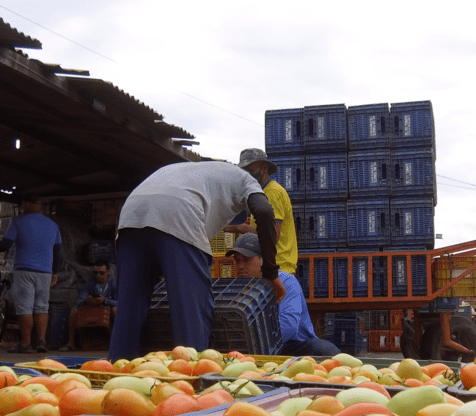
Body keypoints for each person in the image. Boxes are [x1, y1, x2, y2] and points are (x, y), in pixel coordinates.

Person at [108, 159, 285, 361]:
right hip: (178, 210)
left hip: (131, 215)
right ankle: (192, 375)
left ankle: (116, 373)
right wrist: (270, 273)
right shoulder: (245, 179)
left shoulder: (198, 172)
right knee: (192, 309)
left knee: (128, 310)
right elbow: (264, 211)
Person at [228, 233, 339, 356]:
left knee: (325, 350)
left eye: (247, 260)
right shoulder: (234, 288)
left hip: (291, 346)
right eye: (237, 261)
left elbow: (288, 326)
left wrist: (258, 342)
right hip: (252, 347)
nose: (240, 266)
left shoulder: (286, 281)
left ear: (263, 259)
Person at [0, 196, 62, 354]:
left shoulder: (19, 222)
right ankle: (42, 342)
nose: (23, 207)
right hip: (45, 272)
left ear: (30, 204)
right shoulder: (53, 225)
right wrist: (55, 272)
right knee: (42, 306)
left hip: (24, 270)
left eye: (25, 203)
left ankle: (25, 343)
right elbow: (58, 251)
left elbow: (6, 243)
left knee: (25, 307)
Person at [223, 148, 298, 274]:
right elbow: (262, 228)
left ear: (264, 168)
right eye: (244, 170)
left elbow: (272, 235)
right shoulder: (261, 193)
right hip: (270, 266)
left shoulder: (272, 193)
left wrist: (241, 228)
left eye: (251, 169)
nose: (247, 174)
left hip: (279, 267)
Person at [59, 260, 117, 352]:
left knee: (116, 310)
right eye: (96, 273)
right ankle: (71, 343)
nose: (98, 275)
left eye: (101, 273)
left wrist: (105, 300)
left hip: (107, 309)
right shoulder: (90, 283)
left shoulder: (114, 283)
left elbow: (120, 303)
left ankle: (117, 343)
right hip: (91, 310)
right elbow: (79, 300)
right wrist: (87, 300)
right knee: (74, 310)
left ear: (108, 272)